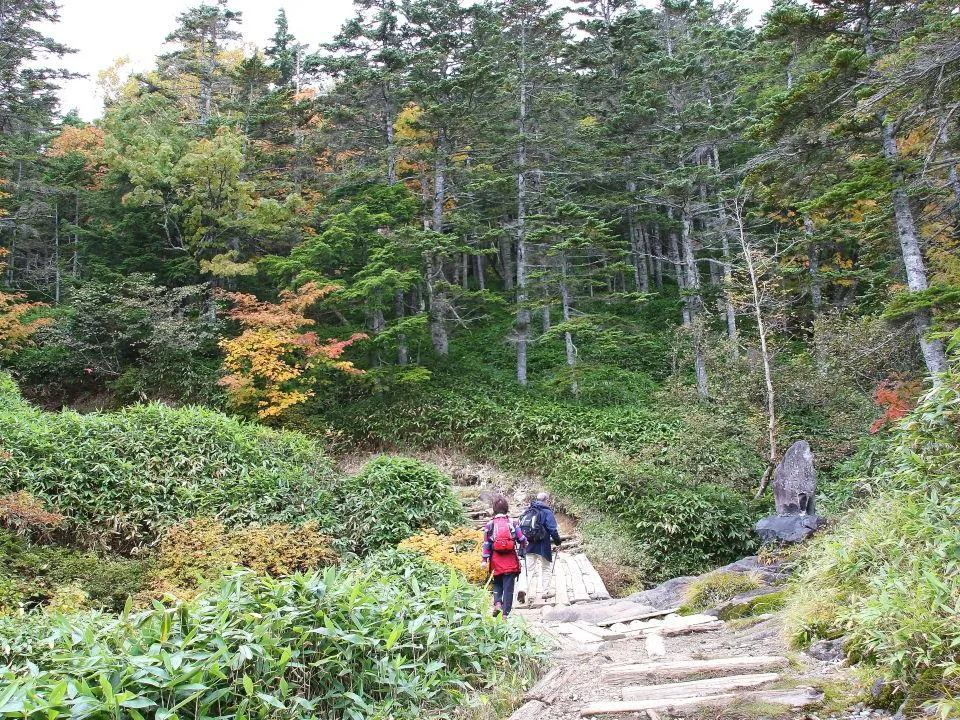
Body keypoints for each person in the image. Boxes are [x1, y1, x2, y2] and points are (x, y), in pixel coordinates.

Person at [481, 496, 528, 618]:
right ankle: (505, 615)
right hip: (510, 560)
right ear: (506, 508)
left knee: (497, 583)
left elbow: (486, 543)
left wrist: (484, 560)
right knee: (509, 589)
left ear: (494, 509)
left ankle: (497, 603)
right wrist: (524, 543)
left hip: (496, 560)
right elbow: (521, 538)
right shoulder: (512, 522)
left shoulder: (489, 524)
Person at [516, 492, 562, 605]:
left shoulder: (528, 511)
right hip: (543, 545)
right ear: (546, 500)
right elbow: (552, 528)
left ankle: (522, 588)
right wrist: (557, 542)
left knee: (528, 569)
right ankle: (545, 591)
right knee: (546, 568)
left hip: (528, 545)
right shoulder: (547, 512)